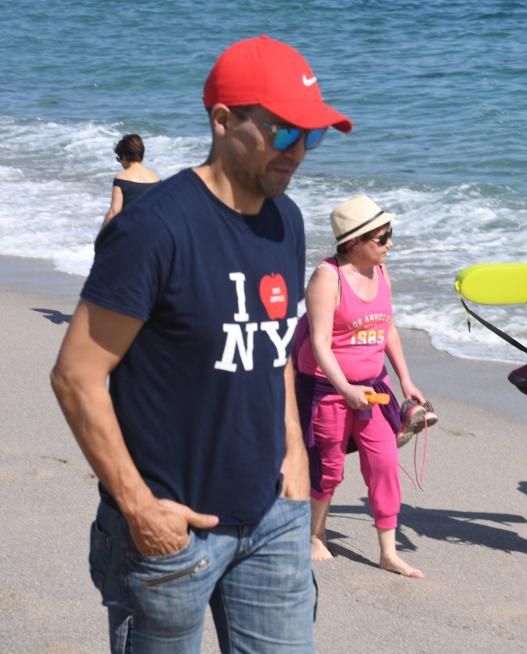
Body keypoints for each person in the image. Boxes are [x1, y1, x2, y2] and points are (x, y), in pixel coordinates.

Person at [50, 35, 352, 652]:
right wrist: (139, 508)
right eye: (283, 132)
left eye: (311, 136)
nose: (298, 152)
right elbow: (76, 376)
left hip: (273, 518)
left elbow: (274, 351)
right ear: (222, 121)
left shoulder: (285, 220)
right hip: (171, 533)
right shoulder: (153, 227)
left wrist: (294, 453)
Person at [294, 194, 432, 577]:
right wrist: (344, 389)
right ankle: (316, 534)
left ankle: (388, 551)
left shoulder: (381, 271)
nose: (390, 244)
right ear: (353, 242)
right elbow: (320, 344)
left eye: (390, 235)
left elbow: (386, 327)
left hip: (373, 386)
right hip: (327, 386)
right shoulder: (328, 277)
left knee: (385, 463)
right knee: (329, 466)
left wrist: (405, 380)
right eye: (382, 237)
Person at [102, 133, 160, 226]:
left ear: (124, 157)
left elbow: (114, 212)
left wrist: (101, 237)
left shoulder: (121, 179)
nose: (120, 162)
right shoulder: (156, 179)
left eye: (119, 159)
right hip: (154, 231)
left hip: (131, 232)